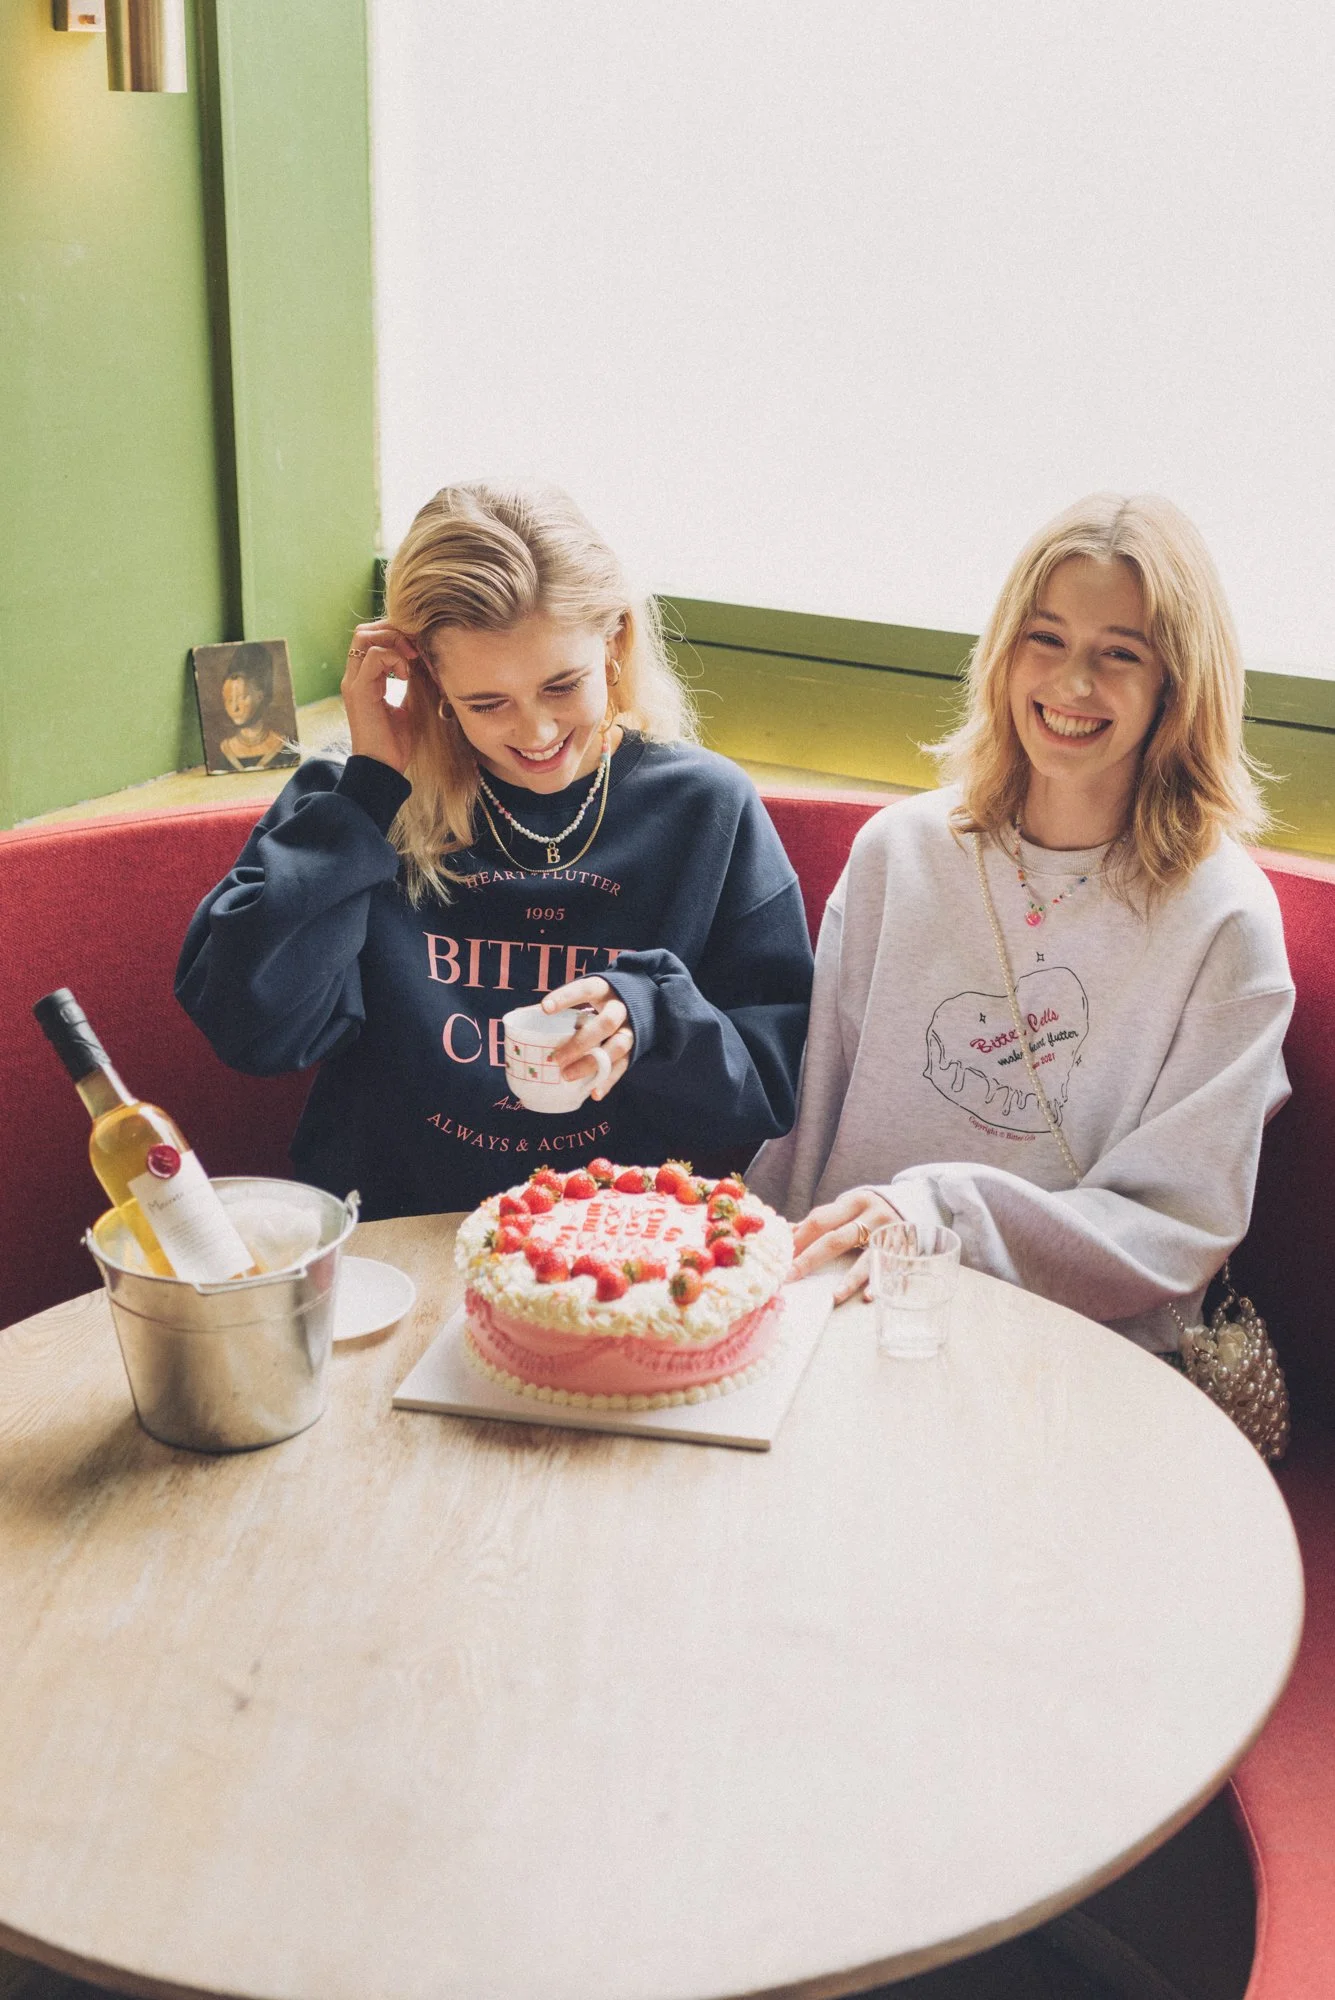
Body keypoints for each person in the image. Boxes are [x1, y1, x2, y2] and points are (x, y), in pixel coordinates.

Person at [177, 482, 813, 1218]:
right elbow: (252, 1032)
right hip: (394, 1232)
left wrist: (653, 1017)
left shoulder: (704, 808)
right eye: (487, 703)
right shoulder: (352, 802)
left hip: (615, 1237)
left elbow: (772, 1083)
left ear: (614, 643)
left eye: (561, 686)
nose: (536, 733)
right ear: (427, 679)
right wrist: (370, 789)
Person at [749, 493, 1294, 1352]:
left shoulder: (1225, 922)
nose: (1072, 684)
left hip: (1076, 1351)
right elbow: (805, 1126)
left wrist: (940, 1212)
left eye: (1119, 653)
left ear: (1177, 686)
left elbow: (1177, 1228)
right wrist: (760, 1293)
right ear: (1003, 652)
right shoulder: (900, 853)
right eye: (1045, 638)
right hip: (854, 1316)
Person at [216, 643, 292, 771]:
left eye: (242, 697)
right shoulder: (226, 750)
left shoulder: (281, 746)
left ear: (260, 696)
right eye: (228, 700)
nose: (234, 708)